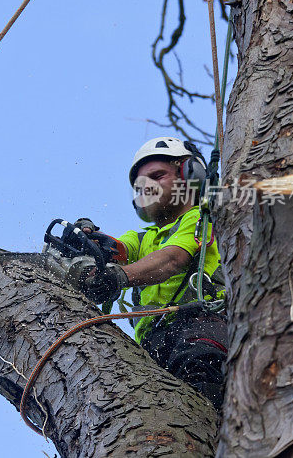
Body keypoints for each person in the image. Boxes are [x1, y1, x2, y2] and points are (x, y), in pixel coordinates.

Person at [74, 137, 228, 408]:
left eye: (158, 176)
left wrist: (120, 277)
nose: (147, 187)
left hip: (200, 325)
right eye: (140, 184)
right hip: (152, 343)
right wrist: (90, 245)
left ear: (190, 174)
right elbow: (119, 250)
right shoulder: (142, 237)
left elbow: (173, 259)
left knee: (201, 388)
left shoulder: (202, 218)